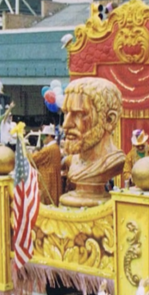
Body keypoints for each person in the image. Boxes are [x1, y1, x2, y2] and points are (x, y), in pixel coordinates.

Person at [60, 78, 126, 207]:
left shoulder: (113, 163)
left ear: (109, 120)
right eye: (66, 113)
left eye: (79, 114)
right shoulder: (73, 161)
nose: (66, 124)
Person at [31, 127, 62, 205]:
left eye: (43, 136)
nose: (42, 139)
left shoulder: (48, 149)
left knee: (48, 200)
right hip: (53, 178)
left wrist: (27, 154)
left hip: (48, 179)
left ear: (49, 136)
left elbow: (34, 159)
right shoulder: (56, 147)